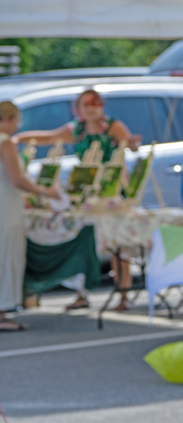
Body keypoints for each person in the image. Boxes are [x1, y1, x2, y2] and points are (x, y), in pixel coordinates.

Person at [15, 89, 141, 311]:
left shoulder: (112, 127)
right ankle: (82, 292)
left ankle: (123, 293)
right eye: (86, 104)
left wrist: (131, 144)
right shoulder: (77, 129)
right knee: (82, 239)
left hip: (110, 190)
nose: (91, 108)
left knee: (117, 241)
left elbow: (128, 144)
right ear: (78, 108)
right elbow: (50, 137)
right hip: (86, 190)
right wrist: (16, 138)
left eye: (95, 103)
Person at [0, 101, 61, 331]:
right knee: (7, 254)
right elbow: (17, 178)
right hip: (5, 207)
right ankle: (2, 310)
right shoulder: (5, 143)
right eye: (16, 120)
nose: (17, 125)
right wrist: (45, 192)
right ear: (6, 119)